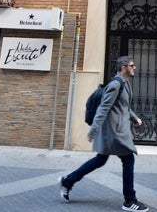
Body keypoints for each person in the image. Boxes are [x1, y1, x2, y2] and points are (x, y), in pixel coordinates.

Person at [58, 56, 149, 212]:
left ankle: (67, 181)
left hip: (115, 131)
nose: (135, 68)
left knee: (100, 160)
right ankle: (129, 200)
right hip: (113, 133)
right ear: (123, 68)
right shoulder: (115, 85)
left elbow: (123, 107)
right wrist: (93, 131)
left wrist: (135, 118)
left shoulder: (124, 84)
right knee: (128, 159)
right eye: (132, 66)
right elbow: (103, 108)